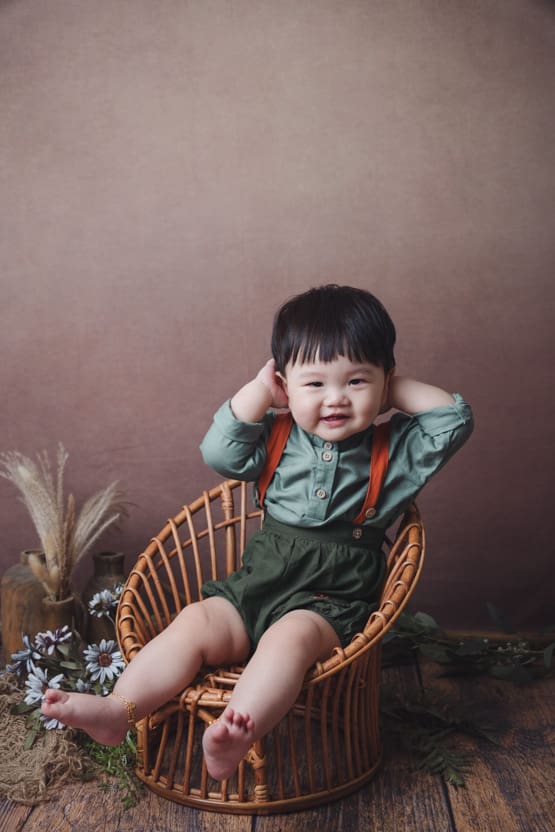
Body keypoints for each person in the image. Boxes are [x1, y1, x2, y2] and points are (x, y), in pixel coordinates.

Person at [41, 284, 473, 781]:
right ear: (286, 386)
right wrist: (260, 393)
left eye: (356, 381)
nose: (335, 398)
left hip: (327, 601)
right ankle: (120, 709)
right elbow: (219, 453)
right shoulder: (275, 435)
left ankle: (236, 731)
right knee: (195, 621)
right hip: (255, 586)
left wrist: (391, 389)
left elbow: (452, 421)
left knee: (286, 642)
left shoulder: (394, 451)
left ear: (385, 383)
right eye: (315, 385)